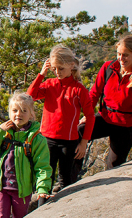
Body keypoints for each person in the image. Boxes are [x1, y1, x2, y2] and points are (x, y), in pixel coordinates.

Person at [73, 35, 132, 178]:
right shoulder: (108, 67)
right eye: (119, 54)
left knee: (113, 168)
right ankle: (70, 179)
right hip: (105, 118)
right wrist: (87, 116)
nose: (121, 58)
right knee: (79, 132)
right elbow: (94, 93)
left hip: (125, 127)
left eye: (125, 55)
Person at [0, 92, 52, 218]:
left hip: (22, 190)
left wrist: (42, 188)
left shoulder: (36, 138)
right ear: (9, 112)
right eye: (15, 110)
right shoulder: (4, 133)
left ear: (31, 114)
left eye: (24, 111)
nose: (18, 114)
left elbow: (42, 167)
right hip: (1, 188)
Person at [27, 44, 95, 197]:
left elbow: (90, 116)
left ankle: (64, 209)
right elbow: (30, 96)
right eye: (54, 69)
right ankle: (42, 208)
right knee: (45, 178)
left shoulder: (79, 90)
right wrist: (41, 74)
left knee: (66, 179)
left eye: (61, 68)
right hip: (47, 139)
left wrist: (84, 143)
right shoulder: (50, 84)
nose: (57, 72)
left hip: (69, 142)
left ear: (71, 65)